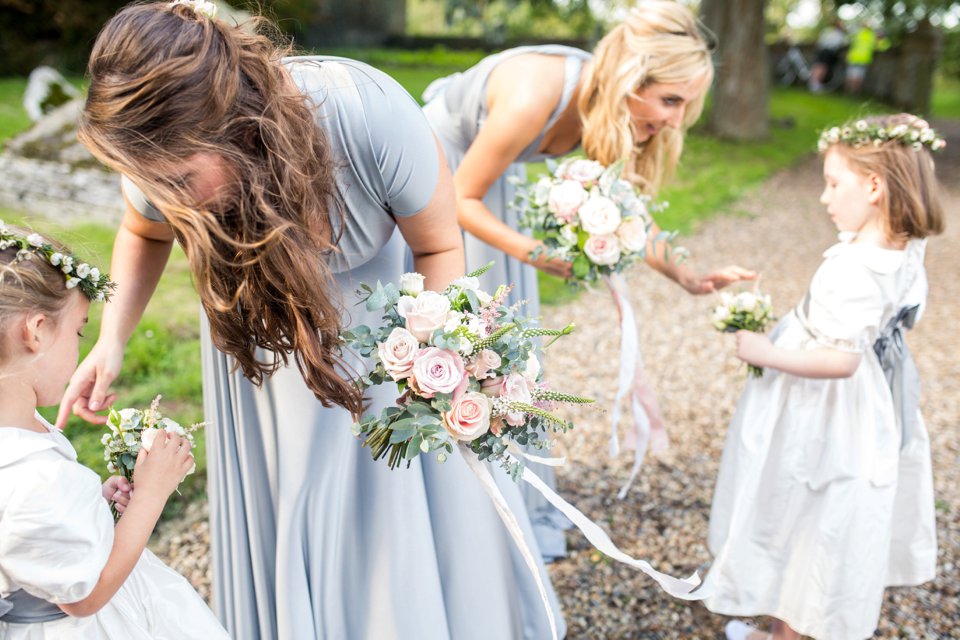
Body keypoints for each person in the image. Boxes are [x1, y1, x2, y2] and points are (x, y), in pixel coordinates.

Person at [57, 2, 564, 639]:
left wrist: (423, 367)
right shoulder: (160, 154)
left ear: (235, 128)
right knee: (294, 493)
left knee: (395, 505)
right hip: (262, 348)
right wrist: (111, 339)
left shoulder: (370, 117)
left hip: (387, 336)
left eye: (183, 179)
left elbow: (439, 248)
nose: (171, 199)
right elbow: (143, 229)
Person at [421, 0, 755, 560]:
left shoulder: (617, 111)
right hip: (441, 177)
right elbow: (460, 195)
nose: (675, 120)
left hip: (488, 189)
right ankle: (457, 508)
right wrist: (534, 252)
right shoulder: (535, 93)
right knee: (462, 346)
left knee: (506, 357)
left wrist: (687, 277)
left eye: (686, 105)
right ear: (631, 80)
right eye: (671, 100)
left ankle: (508, 505)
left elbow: (629, 213)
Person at [705, 114, 943, 640]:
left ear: (875, 186)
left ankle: (790, 631)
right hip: (867, 405)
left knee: (800, 508)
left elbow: (841, 360)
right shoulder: (903, 248)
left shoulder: (855, 266)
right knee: (820, 515)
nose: (824, 197)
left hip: (824, 412)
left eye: (834, 183)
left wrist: (765, 350)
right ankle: (786, 626)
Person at [0, 225, 228, 639]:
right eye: (79, 331)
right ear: (34, 332)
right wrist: (151, 494)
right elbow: (85, 595)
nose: (80, 347)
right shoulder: (34, 477)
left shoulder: (17, 436)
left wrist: (92, 508)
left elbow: (38, 537)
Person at [844, 22, 890, 94]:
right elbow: (851, 43)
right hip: (854, 58)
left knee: (858, 77)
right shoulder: (859, 33)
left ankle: (854, 92)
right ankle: (849, 91)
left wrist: (882, 39)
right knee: (851, 75)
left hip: (863, 59)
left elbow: (882, 47)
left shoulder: (872, 35)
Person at [807, 18, 847, 93]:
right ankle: (815, 85)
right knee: (822, 68)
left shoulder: (827, 31)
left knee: (818, 66)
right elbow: (839, 44)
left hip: (822, 51)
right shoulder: (838, 34)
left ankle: (814, 84)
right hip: (828, 52)